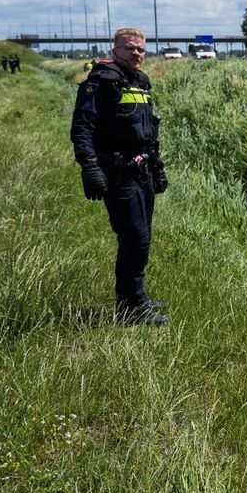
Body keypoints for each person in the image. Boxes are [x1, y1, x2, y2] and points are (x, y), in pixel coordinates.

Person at [70, 28, 169, 326]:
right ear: (115, 50)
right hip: (117, 173)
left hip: (143, 171)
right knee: (134, 237)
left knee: (143, 237)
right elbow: (82, 128)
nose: (136, 53)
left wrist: (158, 166)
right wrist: (89, 168)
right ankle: (131, 309)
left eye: (140, 49)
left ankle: (135, 297)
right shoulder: (100, 82)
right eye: (129, 49)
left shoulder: (140, 81)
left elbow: (148, 131)